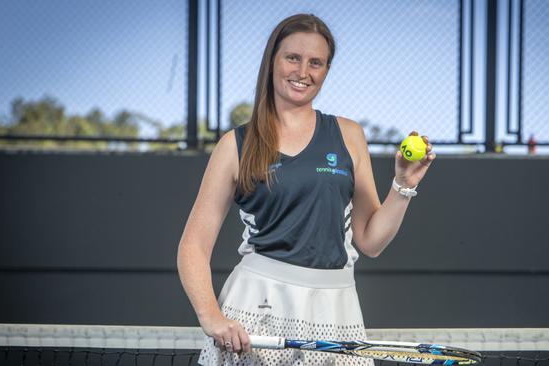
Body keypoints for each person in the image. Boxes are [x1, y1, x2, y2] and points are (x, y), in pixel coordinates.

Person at [177, 13, 435, 366]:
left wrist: (403, 185)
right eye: (293, 58)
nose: (303, 71)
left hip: (336, 308)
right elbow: (192, 245)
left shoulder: (348, 135)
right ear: (273, 61)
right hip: (257, 306)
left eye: (316, 62)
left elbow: (371, 241)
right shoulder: (234, 145)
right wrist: (210, 316)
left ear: (327, 70)